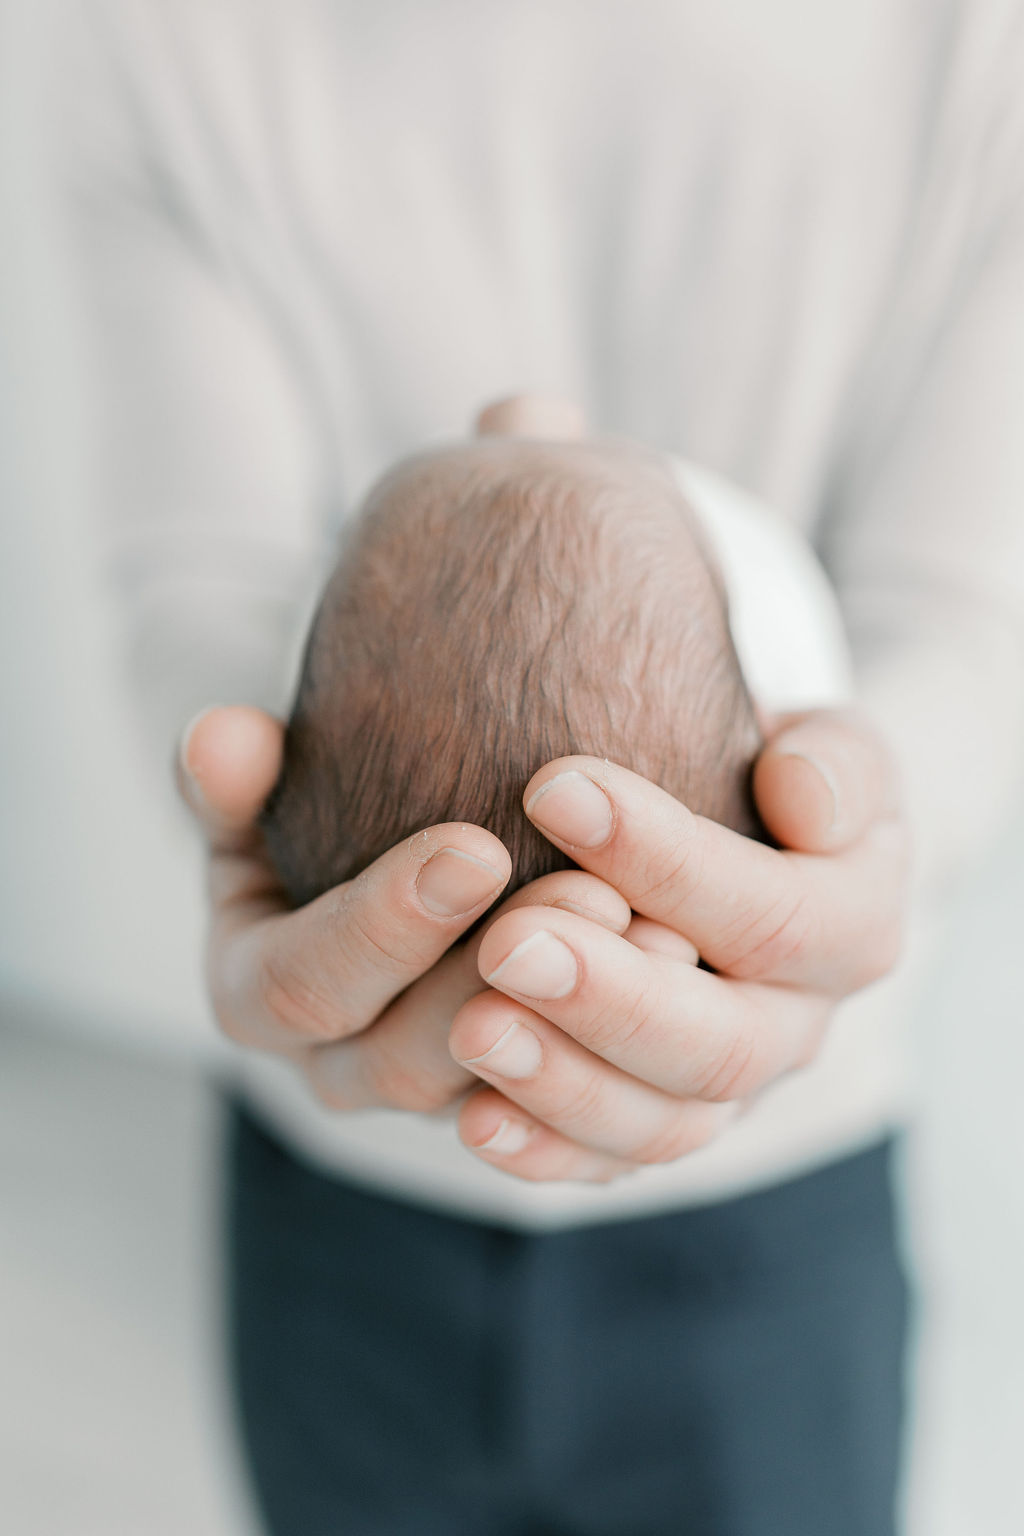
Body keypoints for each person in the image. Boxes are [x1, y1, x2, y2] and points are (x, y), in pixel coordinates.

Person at [59, 3, 1024, 1533]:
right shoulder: (168, 40)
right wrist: (245, 792)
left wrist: (854, 829)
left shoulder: (975, 51)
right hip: (340, 1173)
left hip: (776, 1186)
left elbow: (964, 631)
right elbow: (200, 598)